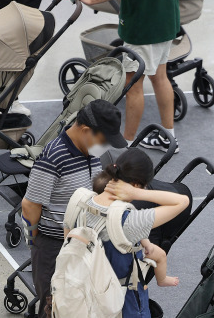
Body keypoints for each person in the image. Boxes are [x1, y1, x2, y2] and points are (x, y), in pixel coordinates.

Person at [65, 0, 180, 153]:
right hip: (165, 19)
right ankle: (169, 137)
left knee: (133, 84)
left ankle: (126, 143)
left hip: (143, 24)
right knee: (160, 77)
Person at [21, 99, 127, 318]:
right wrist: (34, 243)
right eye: (104, 140)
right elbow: (30, 205)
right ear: (86, 130)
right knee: (54, 304)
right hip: (54, 246)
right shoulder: (54, 156)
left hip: (84, 242)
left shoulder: (91, 153)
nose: (105, 147)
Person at [67, 148, 189, 316]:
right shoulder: (130, 222)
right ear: (138, 184)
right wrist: (137, 193)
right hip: (121, 303)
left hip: (80, 295)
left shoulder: (79, 199)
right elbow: (182, 201)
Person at [92, 169, 179, 287]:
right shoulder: (125, 215)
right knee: (161, 255)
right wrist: (147, 244)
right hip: (122, 252)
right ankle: (162, 279)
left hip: (97, 248)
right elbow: (182, 201)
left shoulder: (91, 209)